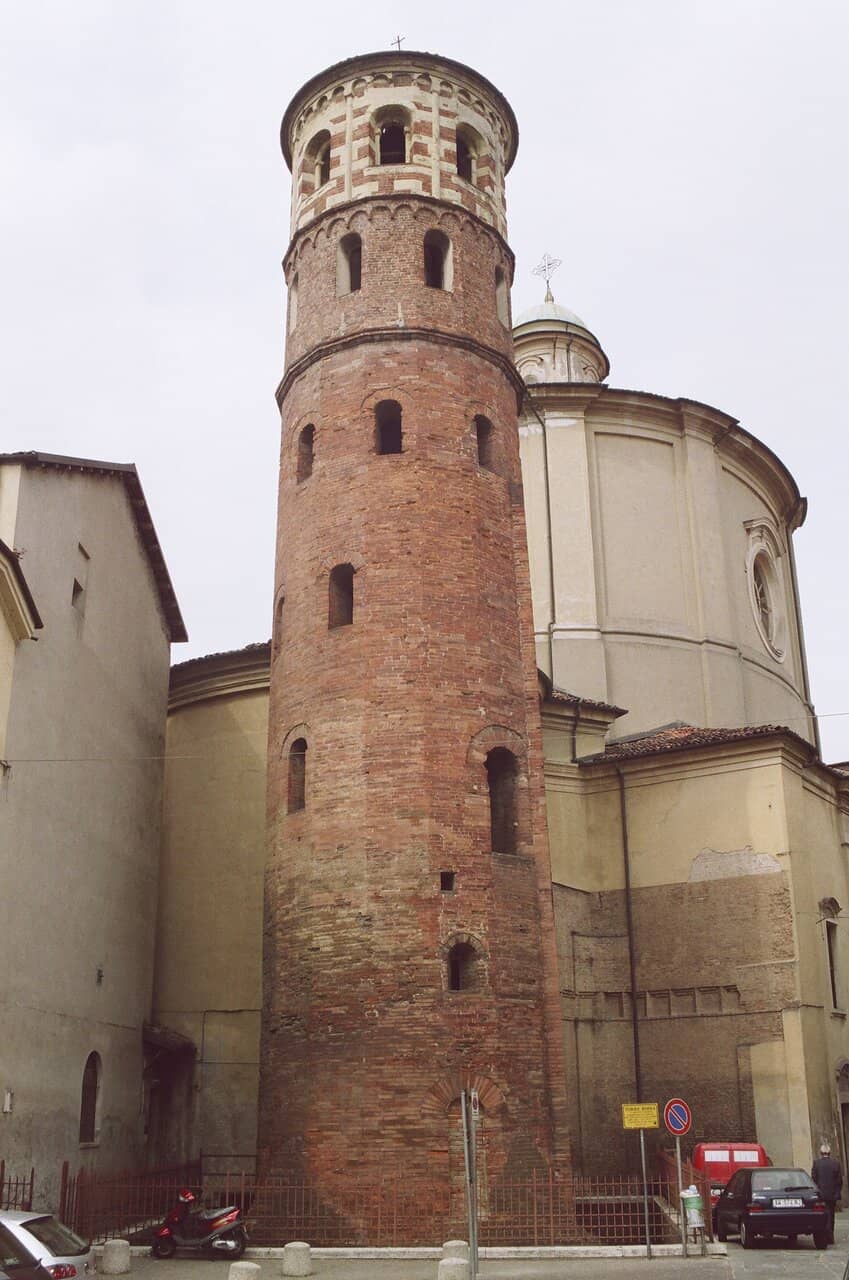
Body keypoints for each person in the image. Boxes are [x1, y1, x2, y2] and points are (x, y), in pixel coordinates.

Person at [811, 1142, 843, 1244]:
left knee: (822, 1215)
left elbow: (814, 1179)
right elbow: (839, 1181)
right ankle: (830, 1236)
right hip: (832, 1195)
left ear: (821, 1152)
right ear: (830, 1152)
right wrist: (837, 1193)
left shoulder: (816, 1163)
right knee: (831, 1215)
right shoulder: (836, 1163)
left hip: (820, 1194)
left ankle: (824, 1235)